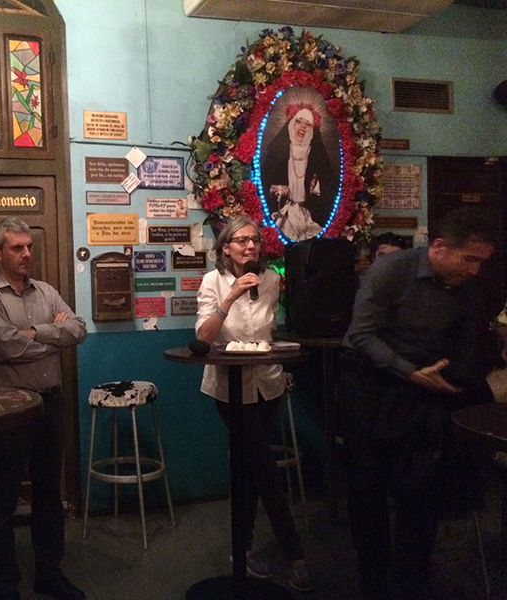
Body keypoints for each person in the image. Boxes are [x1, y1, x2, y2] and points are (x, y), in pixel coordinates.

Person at [337, 207, 496, 600]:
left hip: (425, 384)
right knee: (368, 486)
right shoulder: (390, 270)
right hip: (370, 380)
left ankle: (412, 578)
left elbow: (466, 339)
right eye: (469, 259)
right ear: (438, 247)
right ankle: (373, 579)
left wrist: (452, 375)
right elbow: (362, 335)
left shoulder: (467, 287)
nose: (475, 270)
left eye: (481, 262)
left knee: (423, 486)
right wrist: (409, 371)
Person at [195, 216, 315, 593]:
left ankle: (242, 549)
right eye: (242, 240)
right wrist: (231, 296)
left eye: (255, 240)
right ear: (225, 248)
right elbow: (203, 338)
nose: (250, 246)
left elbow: (271, 328)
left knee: (250, 470)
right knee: (264, 468)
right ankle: (294, 553)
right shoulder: (212, 282)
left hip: (268, 384)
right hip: (230, 389)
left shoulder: (271, 280)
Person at [0, 217, 87, 600]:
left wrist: (37, 333)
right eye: (17, 248)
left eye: (29, 247)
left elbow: (79, 330)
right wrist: (55, 337)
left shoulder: (47, 292)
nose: (26, 254)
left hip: (49, 405)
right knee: (3, 498)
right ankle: (5, 583)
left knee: (49, 493)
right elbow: (7, 347)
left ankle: (49, 573)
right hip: (9, 409)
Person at [262, 103, 338, 241]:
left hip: (309, 214)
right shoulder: (278, 151)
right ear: (291, 124)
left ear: (312, 130)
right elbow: (266, 180)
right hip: (283, 212)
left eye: (308, 124)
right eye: (299, 121)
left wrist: (316, 188)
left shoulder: (317, 154)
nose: (302, 127)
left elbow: (329, 185)